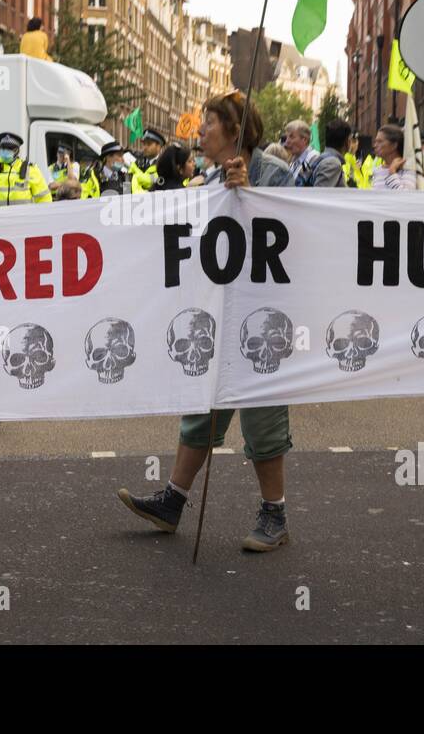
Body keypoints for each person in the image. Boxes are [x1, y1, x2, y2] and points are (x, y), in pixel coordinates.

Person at [118, 90, 296, 552]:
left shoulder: (274, 175)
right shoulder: (211, 177)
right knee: (201, 409)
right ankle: (172, 503)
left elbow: (293, 234)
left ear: (235, 131)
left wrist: (250, 195)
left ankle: (274, 515)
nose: (200, 130)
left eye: (210, 122)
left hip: (263, 319)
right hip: (219, 314)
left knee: (262, 417)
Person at [0, 132, 51, 208]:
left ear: (17, 150)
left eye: (10, 148)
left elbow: (44, 198)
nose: (6, 151)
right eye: (3, 148)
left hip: (21, 222)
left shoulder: (31, 169)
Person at [368, 125, 416, 190]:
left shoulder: (407, 168)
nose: (375, 145)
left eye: (380, 142)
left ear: (394, 145)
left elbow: (406, 196)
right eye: (375, 141)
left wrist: (392, 172)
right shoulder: (377, 170)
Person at [308, 119, 350, 187]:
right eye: (350, 138)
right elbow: (319, 195)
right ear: (346, 142)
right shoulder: (332, 163)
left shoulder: (324, 158)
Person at [283, 119, 320, 185]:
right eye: (286, 137)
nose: (287, 142)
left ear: (304, 139)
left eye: (291, 137)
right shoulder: (293, 162)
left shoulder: (314, 160)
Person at [130, 128, 166, 192]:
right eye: (144, 144)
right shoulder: (137, 162)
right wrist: (125, 198)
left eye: (149, 144)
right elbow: (127, 182)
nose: (145, 147)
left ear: (159, 146)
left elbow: (158, 182)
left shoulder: (163, 165)